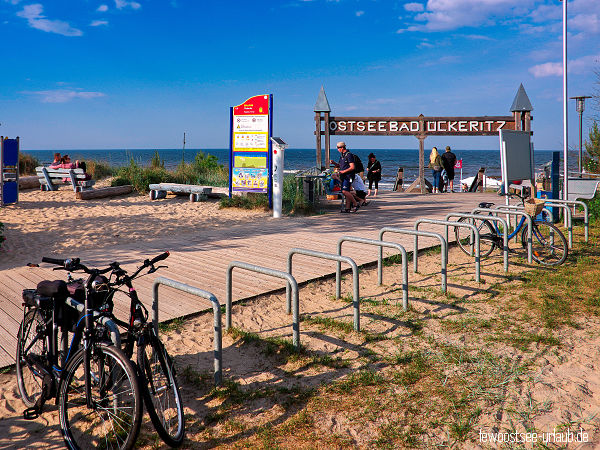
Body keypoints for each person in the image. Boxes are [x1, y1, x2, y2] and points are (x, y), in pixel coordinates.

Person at [329, 141, 359, 213]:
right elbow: (339, 166)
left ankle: (355, 204)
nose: (337, 149)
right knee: (347, 191)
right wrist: (334, 163)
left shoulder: (349, 155)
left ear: (342, 147)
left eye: (338, 148)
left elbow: (352, 167)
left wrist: (343, 171)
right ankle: (347, 208)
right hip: (344, 176)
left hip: (348, 176)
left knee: (344, 191)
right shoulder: (342, 156)